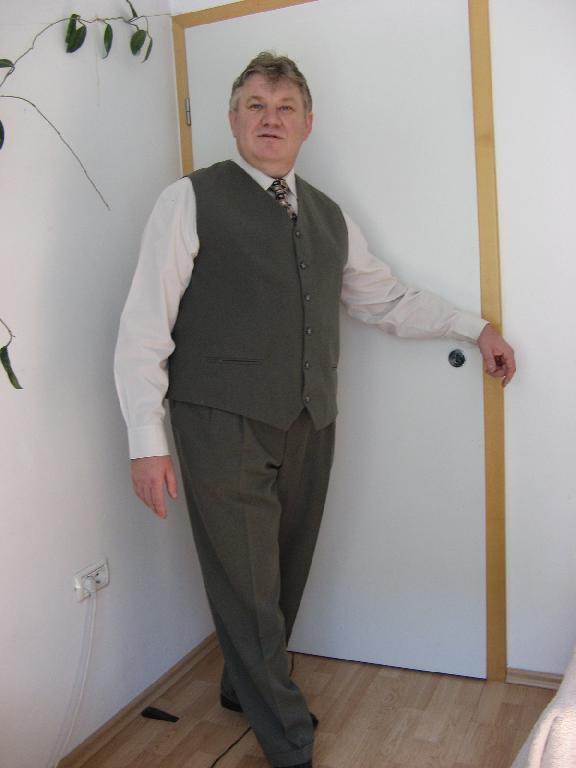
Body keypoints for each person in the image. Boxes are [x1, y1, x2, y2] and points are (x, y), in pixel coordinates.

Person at [114, 52, 515, 768]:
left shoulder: (329, 215)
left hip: (310, 419)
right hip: (220, 420)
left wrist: (473, 327)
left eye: (285, 107)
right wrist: (146, 438)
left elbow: (384, 299)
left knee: (285, 569)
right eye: (256, 105)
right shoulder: (189, 200)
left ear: (307, 123)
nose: (270, 119)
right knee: (247, 581)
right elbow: (145, 323)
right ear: (233, 119)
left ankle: (243, 686)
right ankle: (289, 737)